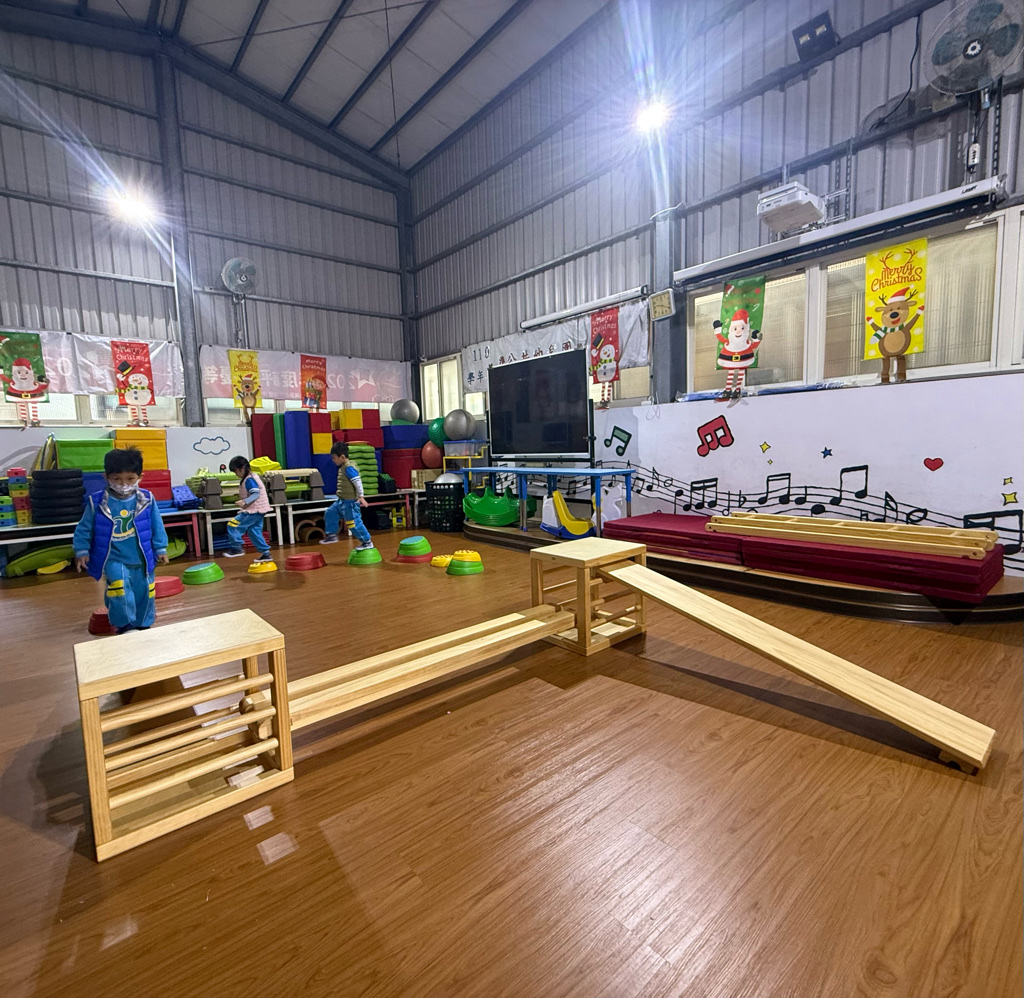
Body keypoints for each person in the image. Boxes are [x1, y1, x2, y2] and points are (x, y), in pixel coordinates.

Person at [73, 446, 168, 633]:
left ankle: (143, 624)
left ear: (140, 477)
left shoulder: (146, 499)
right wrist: (81, 550)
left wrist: (161, 548)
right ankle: (124, 625)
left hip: (142, 558)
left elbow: (157, 524)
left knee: (145, 591)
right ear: (106, 477)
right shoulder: (97, 501)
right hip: (114, 558)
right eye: (117, 479)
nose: (123, 484)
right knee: (120, 589)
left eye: (130, 479)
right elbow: (84, 527)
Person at [320, 441, 373, 549]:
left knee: (353, 523)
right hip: (341, 501)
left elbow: (357, 482)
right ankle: (332, 535)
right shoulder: (343, 467)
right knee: (330, 512)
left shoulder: (349, 468)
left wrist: (361, 496)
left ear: (342, 457)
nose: (333, 460)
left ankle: (367, 541)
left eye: (334, 458)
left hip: (351, 503)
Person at [224, 456, 273, 561]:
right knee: (254, 531)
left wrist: (244, 501)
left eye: (236, 472)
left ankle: (237, 548)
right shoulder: (250, 477)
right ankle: (266, 554)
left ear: (242, 468)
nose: (236, 474)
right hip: (259, 509)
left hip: (253, 510)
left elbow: (255, 494)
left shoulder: (249, 479)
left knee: (233, 524)